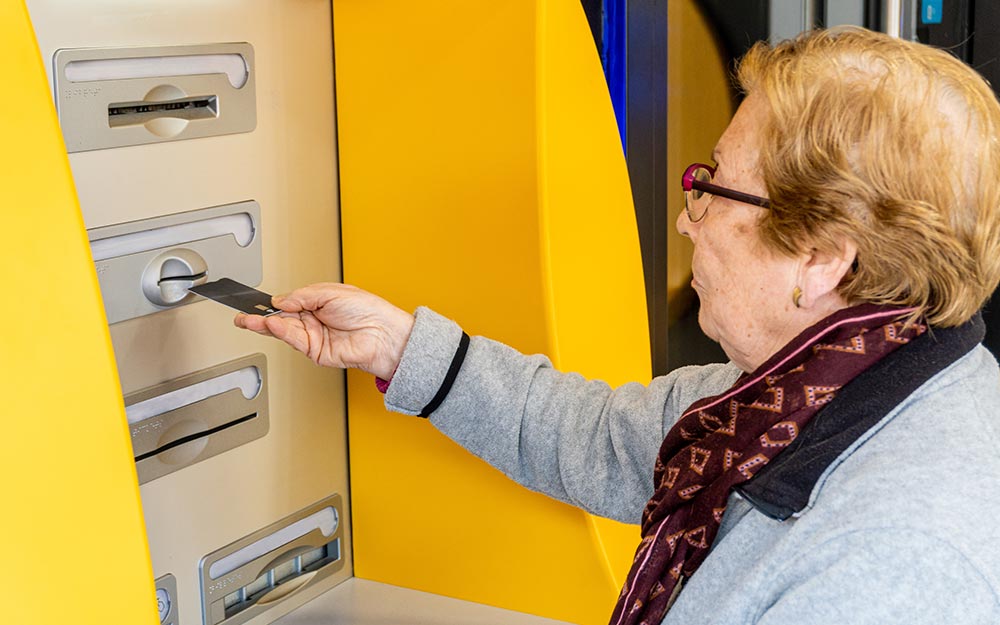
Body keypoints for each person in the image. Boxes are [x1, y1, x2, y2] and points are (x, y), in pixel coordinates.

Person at [236, 27, 1000, 625]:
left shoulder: (891, 560)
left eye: (714, 189)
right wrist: (400, 346)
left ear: (822, 258)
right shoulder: (791, 401)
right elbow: (594, 434)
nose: (684, 218)